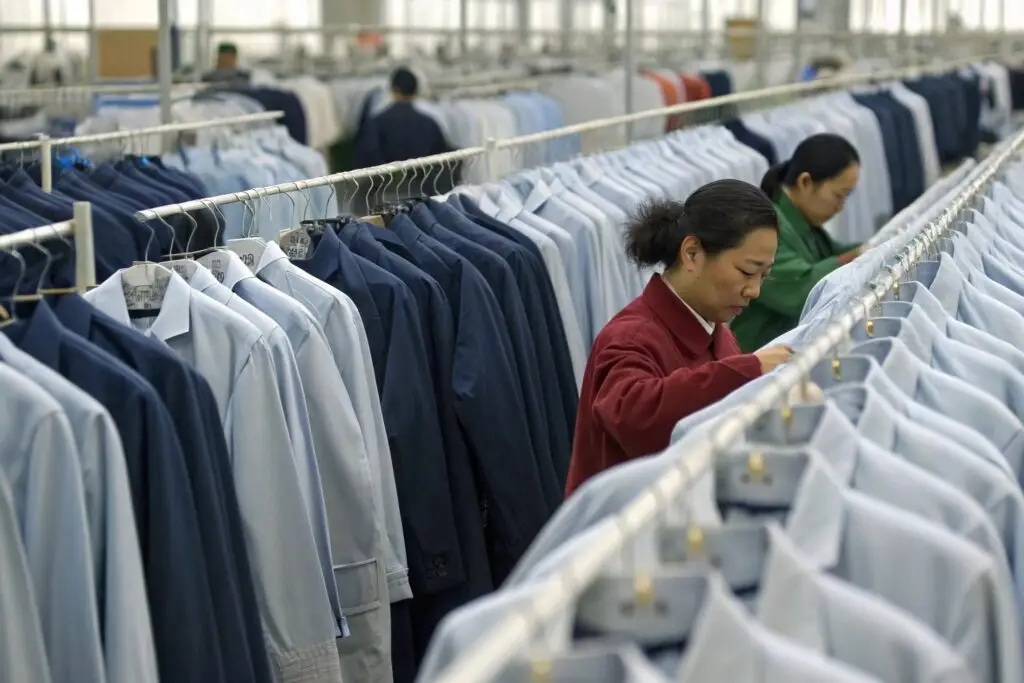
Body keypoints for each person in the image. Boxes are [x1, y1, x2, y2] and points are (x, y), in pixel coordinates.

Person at [565, 180, 794, 496]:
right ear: (692, 253)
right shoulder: (629, 338)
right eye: (746, 272)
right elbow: (635, 417)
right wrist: (748, 370)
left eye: (763, 276)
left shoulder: (719, 333)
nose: (754, 291)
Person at [730, 133, 865, 352]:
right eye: (839, 195)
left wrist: (875, 248)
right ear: (805, 182)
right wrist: (860, 255)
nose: (840, 207)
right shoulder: (764, 225)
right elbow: (798, 290)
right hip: (759, 355)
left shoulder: (800, 221)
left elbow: (833, 253)